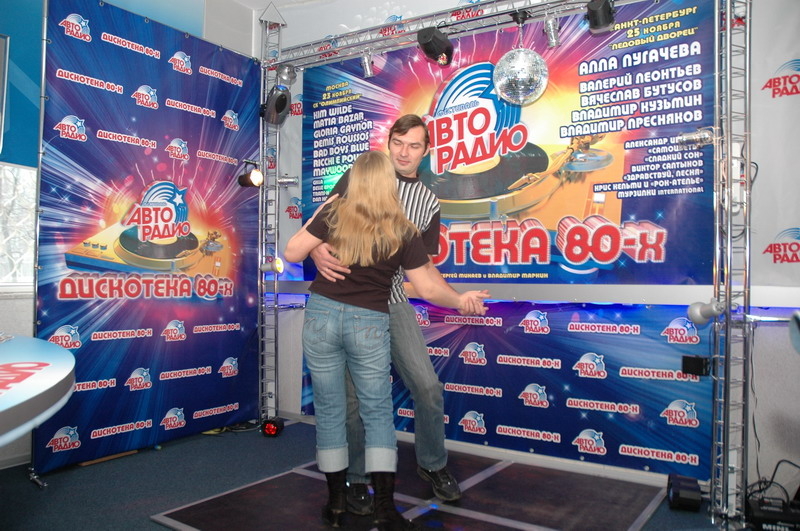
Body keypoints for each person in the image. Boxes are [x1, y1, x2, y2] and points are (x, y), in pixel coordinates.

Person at [284, 151, 489, 530]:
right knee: (377, 413)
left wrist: (316, 233)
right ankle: (384, 510)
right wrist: (461, 300)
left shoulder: (335, 213)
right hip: (368, 321)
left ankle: (336, 505)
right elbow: (428, 287)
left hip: (322, 316)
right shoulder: (401, 228)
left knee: (331, 413)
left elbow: (291, 251)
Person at [310, 115, 463, 513]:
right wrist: (315, 249)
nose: (404, 152)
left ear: (426, 151)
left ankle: (433, 464)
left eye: (414, 146)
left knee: (427, 387)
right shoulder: (359, 176)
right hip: (347, 303)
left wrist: (456, 297)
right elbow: (319, 223)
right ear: (389, 141)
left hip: (392, 303)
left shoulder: (428, 202)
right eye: (398, 142)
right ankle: (358, 478)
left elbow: (424, 270)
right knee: (352, 403)